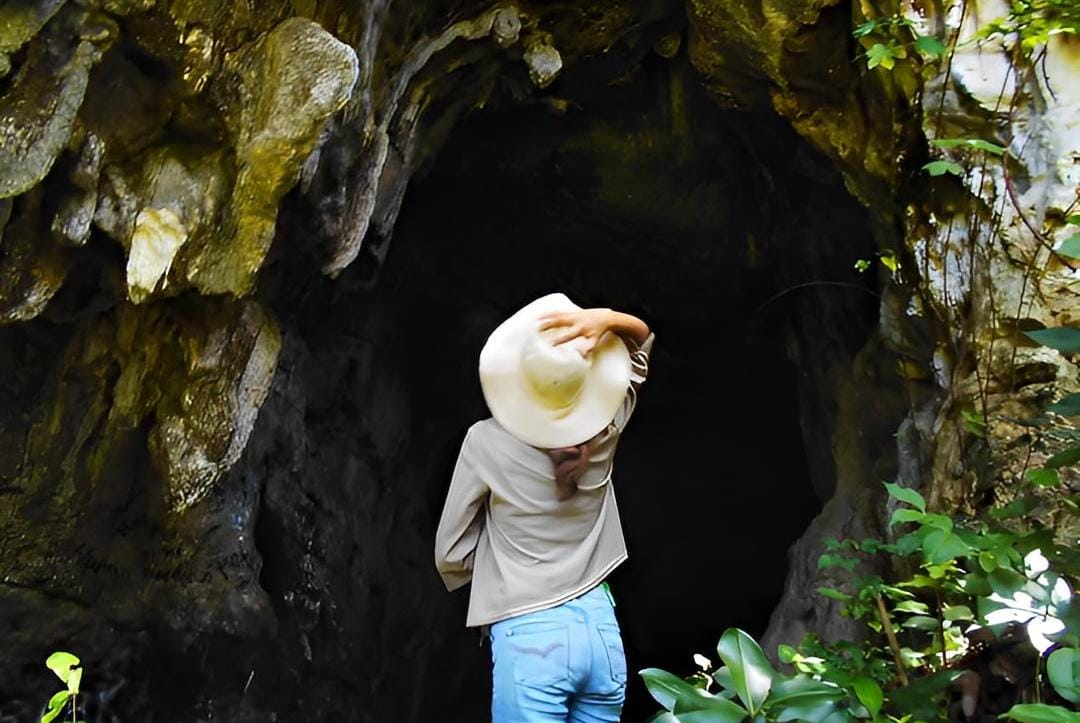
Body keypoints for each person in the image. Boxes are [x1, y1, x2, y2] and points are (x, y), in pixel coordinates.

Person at [434, 292, 654, 723]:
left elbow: (451, 554)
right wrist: (604, 320)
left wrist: (506, 562)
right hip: (602, 633)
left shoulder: (485, 442)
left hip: (532, 638)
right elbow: (642, 346)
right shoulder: (608, 428)